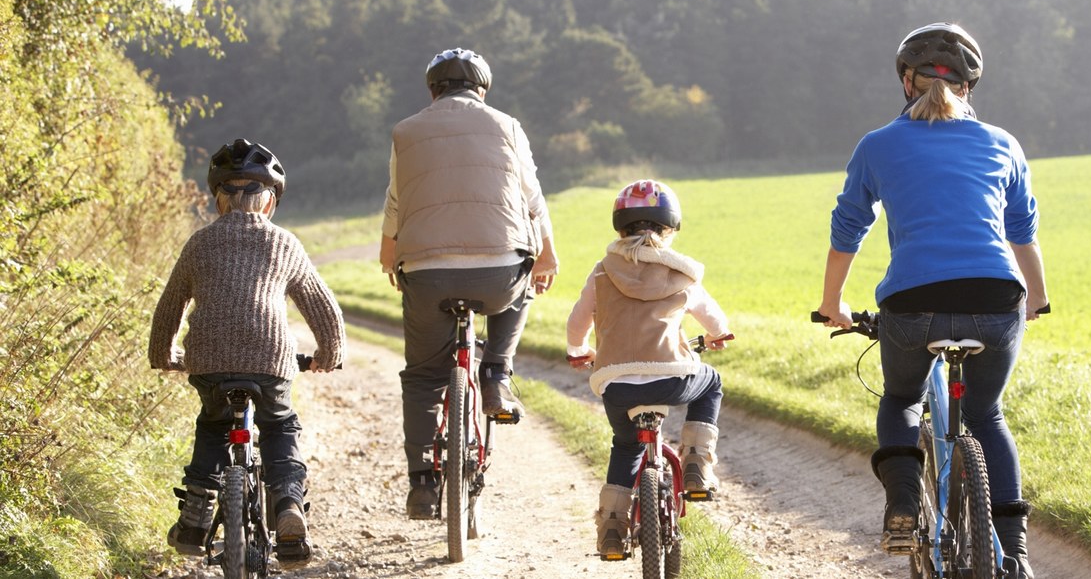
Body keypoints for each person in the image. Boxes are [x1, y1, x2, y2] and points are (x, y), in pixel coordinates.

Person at [815, 23, 1049, 579]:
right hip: (997, 297)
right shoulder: (1003, 143)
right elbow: (1022, 228)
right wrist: (1036, 299)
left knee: (901, 399)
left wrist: (833, 303)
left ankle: (901, 506)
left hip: (912, 300)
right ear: (968, 87)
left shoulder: (877, 145)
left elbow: (849, 227)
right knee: (988, 414)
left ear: (905, 80)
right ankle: (1014, 556)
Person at [379, 47, 559, 520]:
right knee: (524, 284)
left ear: (432, 89)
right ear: (482, 88)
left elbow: (397, 199)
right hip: (498, 270)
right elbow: (532, 198)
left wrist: (389, 251)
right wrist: (547, 255)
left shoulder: (405, 131)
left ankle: (421, 483)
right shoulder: (508, 126)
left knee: (423, 376)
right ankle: (497, 373)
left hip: (426, 269)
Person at [149, 138, 345, 565]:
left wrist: (162, 354)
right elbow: (321, 305)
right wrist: (329, 352)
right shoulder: (284, 244)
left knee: (213, 427)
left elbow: (169, 307)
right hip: (270, 360)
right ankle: (289, 506)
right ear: (270, 202)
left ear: (218, 201)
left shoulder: (198, 243)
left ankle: (197, 514)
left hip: (208, 360)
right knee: (279, 428)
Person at [565, 179, 730, 559]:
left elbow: (578, 321)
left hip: (617, 385)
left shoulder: (603, 271)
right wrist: (720, 334)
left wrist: (579, 351)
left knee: (625, 446)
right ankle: (696, 466)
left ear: (621, 228)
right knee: (712, 383)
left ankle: (611, 529)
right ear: (669, 229)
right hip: (672, 377)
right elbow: (710, 315)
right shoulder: (680, 271)